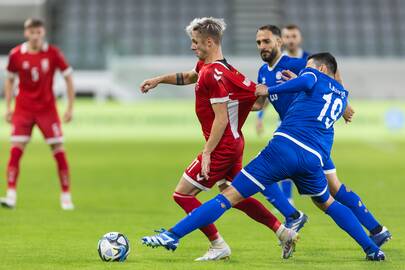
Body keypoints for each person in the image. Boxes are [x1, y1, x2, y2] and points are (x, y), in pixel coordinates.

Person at [142, 53, 386, 261]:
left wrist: (270, 89)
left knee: (228, 195)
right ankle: (372, 249)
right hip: (314, 159)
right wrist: (297, 83)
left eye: (308, 67)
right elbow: (312, 95)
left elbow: (308, 79)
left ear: (321, 68)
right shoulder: (341, 95)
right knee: (328, 204)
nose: (305, 71)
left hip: (284, 148)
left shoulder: (314, 75)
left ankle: (172, 235)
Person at [139, 17, 297, 261]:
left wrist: (208, 153)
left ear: (210, 42)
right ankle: (283, 232)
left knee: (182, 194)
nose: (192, 47)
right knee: (233, 193)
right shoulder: (221, 69)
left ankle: (217, 245)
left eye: (195, 42)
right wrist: (159, 80)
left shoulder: (214, 74)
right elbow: (192, 77)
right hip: (233, 143)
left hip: (222, 146)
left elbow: (221, 119)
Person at [254, 25, 391, 246]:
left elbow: (330, 69)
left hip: (306, 134)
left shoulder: (298, 63)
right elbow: (261, 102)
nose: (262, 46)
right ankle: (377, 229)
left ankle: (292, 214)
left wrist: (343, 99)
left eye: (266, 41)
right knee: (334, 188)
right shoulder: (263, 71)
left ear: (279, 42)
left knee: (260, 173)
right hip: (299, 136)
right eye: (259, 42)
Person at [0, 18, 75, 210]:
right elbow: (9, 81)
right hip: (23, 109)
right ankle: (10, 195)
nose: (35, 36)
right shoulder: (16, 54)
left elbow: (68, 78)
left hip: (47, 110)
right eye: (32, 32)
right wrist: (8, 107)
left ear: (43, 33)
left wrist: (69, 107)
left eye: (38, 32)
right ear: (26, 33)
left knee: (58, 150)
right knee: (16, 149)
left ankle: (66, 196)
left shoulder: (53, 53)